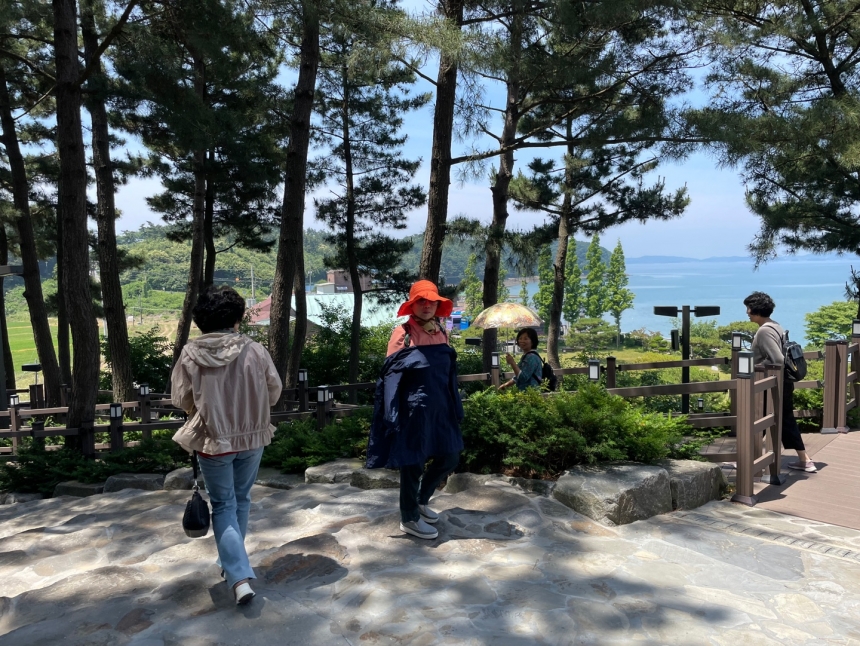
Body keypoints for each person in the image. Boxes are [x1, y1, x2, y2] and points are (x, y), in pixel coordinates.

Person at [171, 286, 283, 605]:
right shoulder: (255, 350)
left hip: (213, 437)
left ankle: (237, 575)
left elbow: (180, 398)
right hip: (252, 435)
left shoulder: (191, 353)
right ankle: (233, 565)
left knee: (223, 504)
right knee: (241, 499)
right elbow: (274, 391)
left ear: (201, 321)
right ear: (237, 319)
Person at [368, 280, 464, 540]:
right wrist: (391, 412)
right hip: (414, 409)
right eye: (421, 301)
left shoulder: (441, 331)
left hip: (441, 407)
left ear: (437, 305)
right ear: (412, 305)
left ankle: (421, 500)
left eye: (431, 301)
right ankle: (409, 517)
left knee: (450, 456)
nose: (426, 305)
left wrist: (454, 402)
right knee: (413, 462)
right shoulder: (404, 333)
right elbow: (390, 376)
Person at [743, 291, 816, 473]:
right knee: (783, 420)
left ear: (756, 310)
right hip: (782, 382)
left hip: (769, 383)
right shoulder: (776, 326)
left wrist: (757, 366)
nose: (747, 312)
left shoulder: (764, 331)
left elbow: (777, 359)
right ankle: (804, 460)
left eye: (748, 308)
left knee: (759, 419)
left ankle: (747, 460)